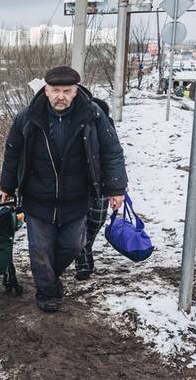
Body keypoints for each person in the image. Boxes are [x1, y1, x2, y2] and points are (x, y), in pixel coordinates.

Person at [0, 65, 128, 313]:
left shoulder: (93, 116)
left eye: (66, 91)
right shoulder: (28, 117)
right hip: (38, 197)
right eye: (55, 90)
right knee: (40, 250)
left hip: (76, 197)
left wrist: (116, 188)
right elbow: (13, 151)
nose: (61, 96)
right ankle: (47, 292)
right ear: (45, 90)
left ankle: (48, 277)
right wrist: (7, 185)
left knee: (73, 245)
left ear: (76, 91)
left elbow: (112, 151)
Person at [73, 98, 116, 281]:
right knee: (79, 223)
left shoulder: (106, 125)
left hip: (101, 184)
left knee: (96, 221)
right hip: (78, 185)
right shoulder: (74, 126)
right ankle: (82, 261)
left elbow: (112, 154)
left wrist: (117, 186)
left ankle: (85, 246)